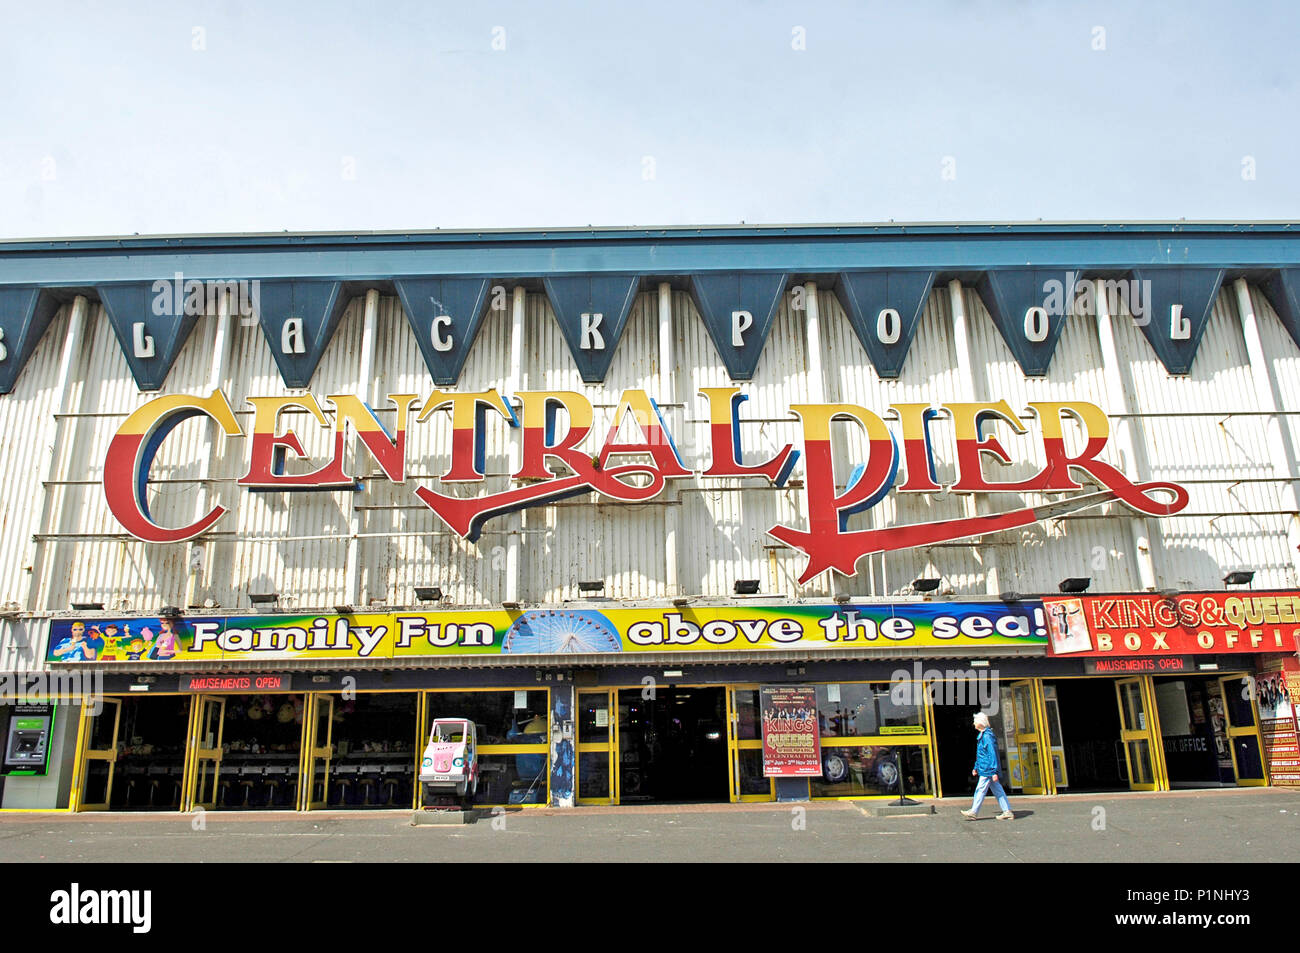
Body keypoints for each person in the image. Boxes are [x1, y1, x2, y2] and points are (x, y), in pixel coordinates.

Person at [961, 711, 1014, 820]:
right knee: (998, 790)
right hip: (986, 768)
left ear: (980, 723)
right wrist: (976, 767)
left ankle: (974, 811)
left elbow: (992, 754)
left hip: (987, 769)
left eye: (975, 722)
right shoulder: (983, 736)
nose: (974, 724)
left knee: (980, 789)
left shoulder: (987, 737)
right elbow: (981, 754)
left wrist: (994, 771)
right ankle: (1007, 811)